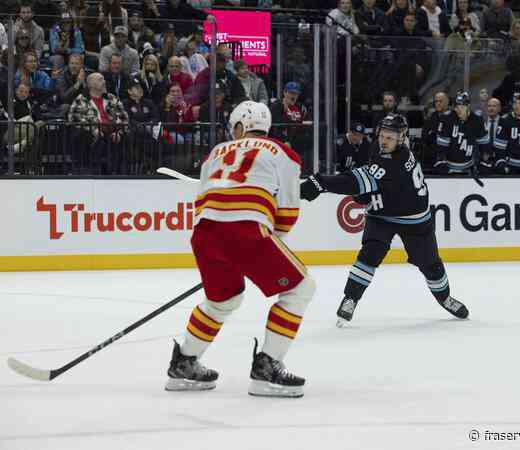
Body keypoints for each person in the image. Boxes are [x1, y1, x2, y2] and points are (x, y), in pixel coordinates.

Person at [165, 100, 315, 398]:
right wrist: (269, 240)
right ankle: (267, 369)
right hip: (246, 230)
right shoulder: (283, 152)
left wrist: (225, 249)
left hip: (205, 234)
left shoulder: (214, 154)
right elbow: (287, 210)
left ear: (238, 127)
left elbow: (202, 203)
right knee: (300, 289)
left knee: (223, 301)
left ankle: (184, 361)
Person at [300, 114, 469, 326]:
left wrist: (320, 183)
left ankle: (445, 298)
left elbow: (355, 181)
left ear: (401, 139)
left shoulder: (398, 162)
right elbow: (369, 179)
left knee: (430, 264)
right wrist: (366, 194)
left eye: (390, 137)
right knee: (369, 253)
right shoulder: (380, 149)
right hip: (382, 212)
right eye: (382, 135)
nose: (383, 141)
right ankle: (351, 297)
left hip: (413, 218)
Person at [435, 90, 489, 174]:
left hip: (469, 167)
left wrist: (483, 162)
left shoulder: (478, 120)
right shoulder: (446, 119)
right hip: (449, 168)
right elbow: (441, 148)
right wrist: (441, 162)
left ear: (468, 106)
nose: (458, 109)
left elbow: (484, 146)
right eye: (457, 106)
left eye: (462, 106)